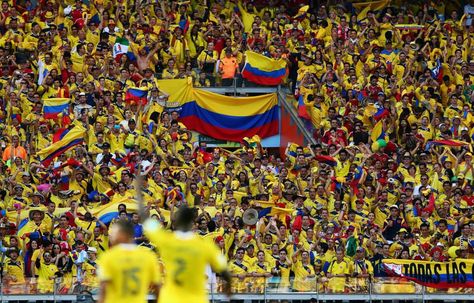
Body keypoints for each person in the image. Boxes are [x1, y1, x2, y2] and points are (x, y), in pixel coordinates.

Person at [144, 206, 231, 303]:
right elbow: (224, 271)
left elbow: (146, 222)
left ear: (176, 223)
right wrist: (228, 287)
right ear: (192, 223)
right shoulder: (205, 246)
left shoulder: (166, 241)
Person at [97, 219, 160, 303]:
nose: (111, 235)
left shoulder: (108, 257)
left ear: (123, 234)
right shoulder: (148, 256)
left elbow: (103, 290)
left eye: (114, 233)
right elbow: (157, 288)